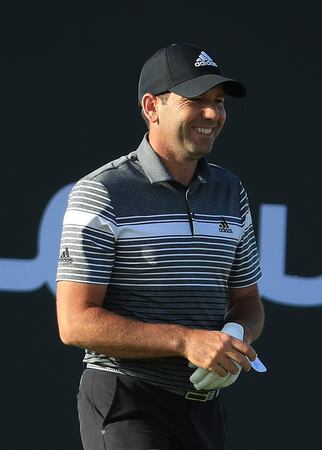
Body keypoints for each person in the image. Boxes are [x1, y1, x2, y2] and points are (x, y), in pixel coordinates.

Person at [55, 43, 264, 450]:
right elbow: (74, 323)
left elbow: (248, 303)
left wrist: (233, 339)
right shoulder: (102, 191)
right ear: (152, 107)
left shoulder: (230, 190)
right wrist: (187, 341)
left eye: (218, 102)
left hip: (204, 409)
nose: (212, 114)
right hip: (128, 401)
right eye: (196, 101)